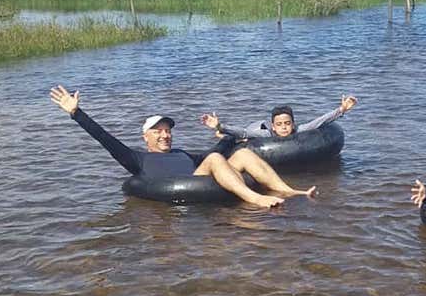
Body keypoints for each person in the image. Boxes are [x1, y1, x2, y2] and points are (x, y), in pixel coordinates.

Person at [49, 85, 316, 208]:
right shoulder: (137, 159)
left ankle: (291, 191)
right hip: (187, 188)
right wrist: (77, 113)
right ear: (146, 137)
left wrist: (226, 133)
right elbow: (105, 139)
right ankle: (256, 199)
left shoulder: (182, 154)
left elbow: (218, 153)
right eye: (159, 131)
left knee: (242, 153)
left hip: (203, 178)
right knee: (212, 160)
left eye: (168, 131)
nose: (165, 135)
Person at [200, 95, 358, 139]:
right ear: (273, 126)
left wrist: (341, 109)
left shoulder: (299, 130)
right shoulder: (266, 133)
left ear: (293, 124)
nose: (284, 127)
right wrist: (220, 126)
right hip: (255, 128)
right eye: (280, 124)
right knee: (243, 139)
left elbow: (318, 122)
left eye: (287, 123)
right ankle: (220, 135)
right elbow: (244, 132)